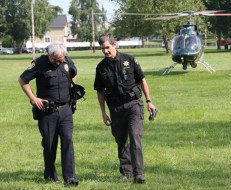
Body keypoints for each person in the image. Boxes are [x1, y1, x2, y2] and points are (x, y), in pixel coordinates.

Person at [94, 33, 156, 184]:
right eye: (102, 49)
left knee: (135, 137)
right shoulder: (101, 67)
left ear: (114, 45)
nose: (105, 51)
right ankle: (126, 171)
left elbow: (142, 80)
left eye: (107, 47)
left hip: (134, 104)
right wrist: (103, 113)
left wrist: (149, 101)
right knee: (121, 140)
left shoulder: (130, 59)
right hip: (115, 108)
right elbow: (100, 92)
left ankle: (138, 174)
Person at [18, 42, 79, 186]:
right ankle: (51, 177)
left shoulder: (67, 60)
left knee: (68, 142)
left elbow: (74, 72)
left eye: (61, 59)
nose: (59, 62)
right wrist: (33, 98)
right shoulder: (39, 63)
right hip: (47, 112)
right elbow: (22, 80)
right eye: (56, 59)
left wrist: (71, 86)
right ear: (49, 55)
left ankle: (70, 177)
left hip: (65, 110)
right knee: (49, 144)